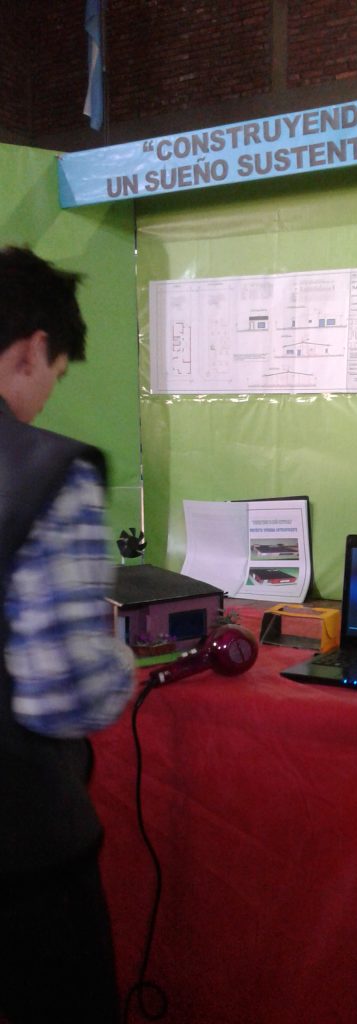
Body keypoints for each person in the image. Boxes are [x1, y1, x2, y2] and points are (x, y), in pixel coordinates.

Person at [0, 246, 135, 1024]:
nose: (47, 395)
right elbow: (64, 693)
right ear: (33, 348)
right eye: (54, 373)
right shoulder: (51, 475)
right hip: (22, 863)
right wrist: (122, 659)